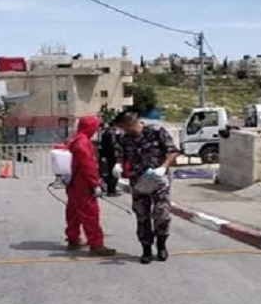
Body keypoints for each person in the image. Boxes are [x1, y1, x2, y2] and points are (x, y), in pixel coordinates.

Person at [113, 111, 179, 264]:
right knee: (142, 216)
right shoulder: (124, 139)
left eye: (125, 127)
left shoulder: (156, 132)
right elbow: (120, 154)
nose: (125, 131)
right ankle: (146, 249)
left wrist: (163, 167)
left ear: (132, 123)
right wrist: (118, 165)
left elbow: (172, 151)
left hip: (158, 179)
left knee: (161, 214)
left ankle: (161, 245)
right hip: (139, 181)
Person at [65, 116, 117, 257]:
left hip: (73, 183)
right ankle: (96, 245)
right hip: (83, 184)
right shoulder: (83, 142)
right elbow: (88, 165)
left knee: (74, 212)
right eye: (95, 127)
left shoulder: (75, 139)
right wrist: (95, 184)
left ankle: (73, 238)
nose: (96, 130)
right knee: (90, 214)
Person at [99, 122, 122, 197]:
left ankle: (110, 190)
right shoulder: (112, 134)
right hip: (112, 156)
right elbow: (114, 144)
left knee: (109, 173)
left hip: (106, 155)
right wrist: (120, 149)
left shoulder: (105, 133)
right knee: (114, 173)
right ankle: (112, 190)